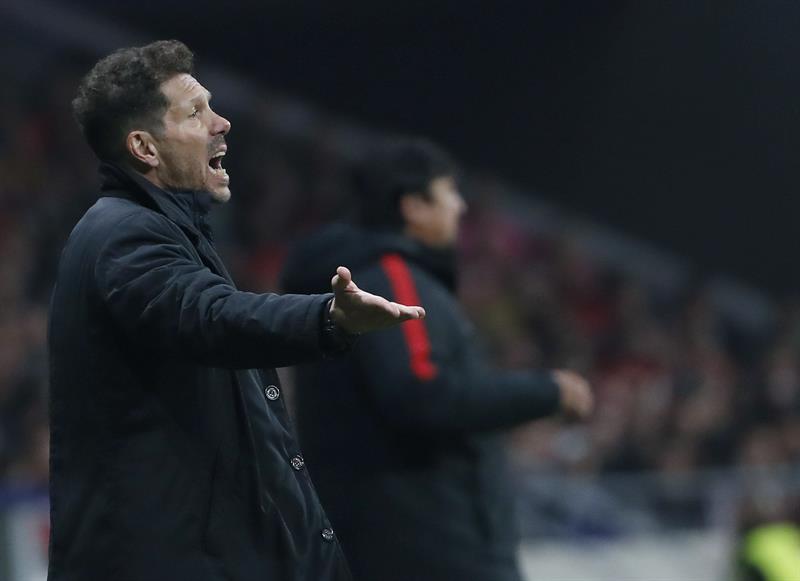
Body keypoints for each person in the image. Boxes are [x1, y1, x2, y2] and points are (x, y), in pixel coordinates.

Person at [48, 40, 425, 581]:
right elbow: (210, 316)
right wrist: (328, 319)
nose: (222, 123)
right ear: (144, 147)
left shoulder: (167, 231)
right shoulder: (123, 234)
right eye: (195, 112)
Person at [281, 137, 594, 581]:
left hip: (394, 542)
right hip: (429, 546)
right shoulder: (391, 277)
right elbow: (422, 393)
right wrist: (550, 391)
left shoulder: (369, 276)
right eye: (449, 192)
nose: (460, 206)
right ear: (414, 207)